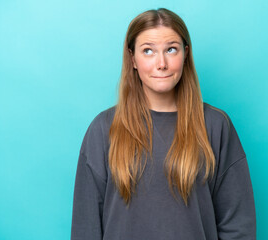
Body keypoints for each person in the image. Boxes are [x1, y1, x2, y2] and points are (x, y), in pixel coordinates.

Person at [71, 8, 256, 240]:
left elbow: (239, 225)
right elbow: (85, 227)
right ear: (133, 59)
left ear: (185, 54)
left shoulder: (216, 126)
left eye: (171, 49)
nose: (161, 63)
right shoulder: (103, 129)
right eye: (148, 51)